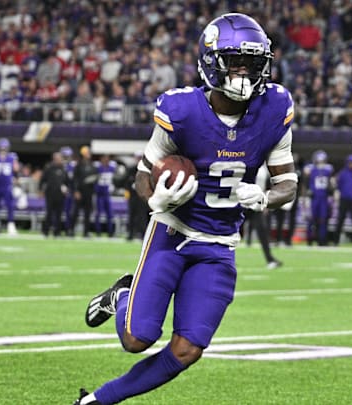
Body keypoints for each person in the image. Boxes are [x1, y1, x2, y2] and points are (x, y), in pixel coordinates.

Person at [74, 13, 297, 405]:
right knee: (136, 338)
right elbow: (144, 174)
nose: (244, 72)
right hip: (173, 232)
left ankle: (97, 401)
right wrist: (154, 199)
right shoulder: (181, 110)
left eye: (253, 62)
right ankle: (121, 296)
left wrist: (264, 198)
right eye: (234, 62)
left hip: (220, 243)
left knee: (186, 350)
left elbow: (288, 183)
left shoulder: (275, 106)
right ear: (211, 61)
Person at [244, 164, 282, 269]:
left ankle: (270, 259)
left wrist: (265, 204)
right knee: (231, 230)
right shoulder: (249, 162)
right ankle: (225, 259)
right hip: (243, 202)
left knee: (262, 232)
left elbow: (267, 188)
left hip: (256, 204)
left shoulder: (265, 169)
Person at [0, 138, 19, 235]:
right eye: (1, 148)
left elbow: (16, 170)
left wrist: (17, 184)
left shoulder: (12, 157)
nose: (3, 150)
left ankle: (11, 224)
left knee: (10, 206)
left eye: (4, 148)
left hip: (7, 185)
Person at [304, 150, 334, 245]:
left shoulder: (328, 169)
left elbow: (331, 183)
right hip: (314, 197)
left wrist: (331, 193)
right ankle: (309, 239)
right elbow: (306, 179)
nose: (320, 163)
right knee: (311, 219)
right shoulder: (311, 169)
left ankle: (322, 240)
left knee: (323, 219)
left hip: (324, 197)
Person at [39, 152, 68, 237]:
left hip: (60, 195)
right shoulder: (49, 168)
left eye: (60, 158)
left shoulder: (63, 168)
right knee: (49, 213)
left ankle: (57, 231)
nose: (59, 160)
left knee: (59, 214)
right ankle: (46, 231)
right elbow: (43, 179)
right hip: (50, 193)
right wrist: (40, 190)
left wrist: (66, 189)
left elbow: (66, 181)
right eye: (57, 158)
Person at [124, 150, 149, 241]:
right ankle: (130, 233)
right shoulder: (131, 169)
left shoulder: (146, 170)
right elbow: (126, 182)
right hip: (133, 196)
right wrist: (127, 193)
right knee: (132, 215)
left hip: (142, 196)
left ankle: (142, 234)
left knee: (142, 216)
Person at [73, 146, 96, 238]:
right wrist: (76, 191)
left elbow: (95, 176)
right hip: (80, 192)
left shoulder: (92, 165)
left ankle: (86, 232)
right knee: (75, 212)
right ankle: (71, 230)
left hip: (89, 192)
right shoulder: (79, 165)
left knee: (87, 213)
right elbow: (75, 179)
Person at [94, 154, 117, 237]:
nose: (106, 161)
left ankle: (110, 232)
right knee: (98, 214)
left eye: (107, 159)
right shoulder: (98, 168)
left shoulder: (112, 168)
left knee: (109, 214)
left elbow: (116, 178)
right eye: (104, 159)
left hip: (107, 194)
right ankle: (98, 231)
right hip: (99, 193)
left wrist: (113, 186)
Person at [60, 146, 77, 236]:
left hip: (70, 191)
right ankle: (57, 229)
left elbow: (75, 179)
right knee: (58, 211)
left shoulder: (73, 165)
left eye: (68, 156)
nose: (66, 157)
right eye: (65, 156)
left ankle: (69, 229)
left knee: (70, 211)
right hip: (59, 191)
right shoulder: (59, 165)